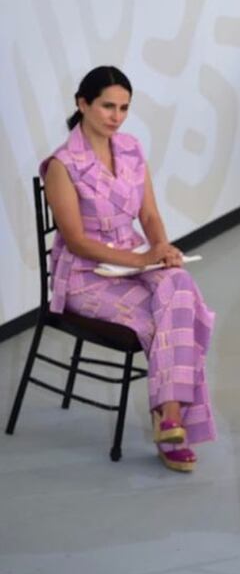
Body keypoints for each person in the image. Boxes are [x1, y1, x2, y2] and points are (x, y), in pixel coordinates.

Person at [41, 65, 215, 473]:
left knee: (180, 282)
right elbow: (77, 240)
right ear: (82, 104)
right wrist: (141, 259)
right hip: (85, 277)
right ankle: (168, 421)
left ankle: (168, 416)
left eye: (123, 108)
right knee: (163, 322)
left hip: (134, 260)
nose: (115, 116)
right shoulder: (61, 166)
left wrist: (161, 247)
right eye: (106, 106)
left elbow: (149, 213)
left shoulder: (132, 149)